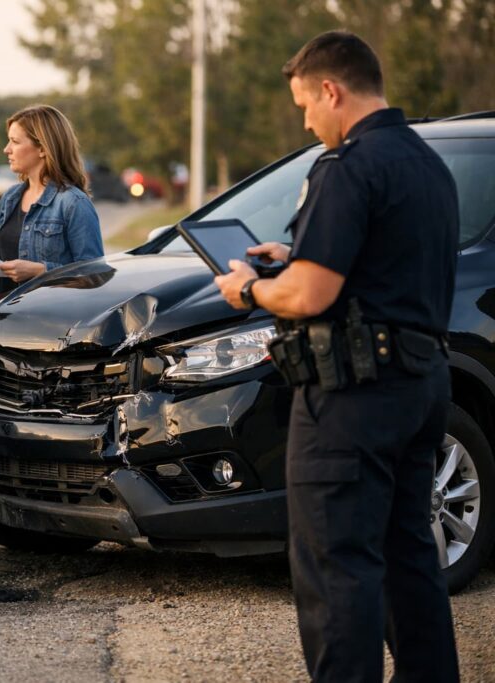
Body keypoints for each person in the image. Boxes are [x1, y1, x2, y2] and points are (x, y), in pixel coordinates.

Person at [215, 31, 460, 682]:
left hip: (352, 397)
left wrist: (250, 285)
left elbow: (309, 293)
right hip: (421, 385)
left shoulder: (348, 165)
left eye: (305, 105)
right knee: (410, 557)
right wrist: (291, 256)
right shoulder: (428, 163)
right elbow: (382, 269)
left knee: (338, 568)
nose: (306, 120)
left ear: (332, 90)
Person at [0, 105, 102, 297]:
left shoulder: (74, 203)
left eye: (14, 142)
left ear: (42, 148)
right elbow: (5, 264)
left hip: (46, 322)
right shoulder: (10, 198)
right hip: (1, 319)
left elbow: (96, 275)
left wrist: (40, 271)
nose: (6, 149)